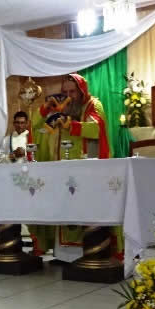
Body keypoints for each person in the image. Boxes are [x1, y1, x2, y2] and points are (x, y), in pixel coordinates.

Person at [28, 73, 114, 258]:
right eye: (65, 92)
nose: (68, 96)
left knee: (82, 209)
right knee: (63, 207)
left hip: (86, 169)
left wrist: (70, 125)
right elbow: (35, 125)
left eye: (72, 92)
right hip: (61, 169)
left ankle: (87, 253)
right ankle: (63, 255)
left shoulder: (92, 105)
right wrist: (45, 108)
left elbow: (96, 129)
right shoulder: (60, 108)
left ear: (82, 91)